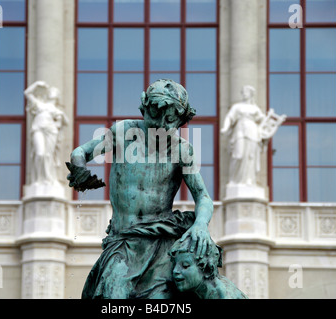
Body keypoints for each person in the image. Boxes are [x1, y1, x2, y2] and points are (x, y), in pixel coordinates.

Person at [67, 79, 214, 299]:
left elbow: (203, 197)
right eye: (155, 115)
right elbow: (81, 152)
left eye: (170, 119)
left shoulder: (182, 150)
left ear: (181, 121)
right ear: (144, 108)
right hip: (123, 241)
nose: (161, 124)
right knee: (113, 293)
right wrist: (79, 169)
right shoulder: (123, 132)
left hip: (162, 241)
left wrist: (201, 224)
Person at [169, 237, 248, 299]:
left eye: (185, 266)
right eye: (174, 265)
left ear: (207, 270)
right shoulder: (200, 292)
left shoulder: (222, 295)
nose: (175, 271)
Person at [24, 81, 69, 185]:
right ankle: (38, 179)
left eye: (54, 91)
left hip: (51, 131)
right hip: (38, 129)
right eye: (50, 91)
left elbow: (66, 122)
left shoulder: (56, 110)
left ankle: (49, 178)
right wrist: (37, 84)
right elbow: (27, 93)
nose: (51, 92)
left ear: (57, 96)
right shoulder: (40, 104)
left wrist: (61, 117)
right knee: (39, 154)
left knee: (48, 155)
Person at [220, 85, 265, 186]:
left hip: (252, 131)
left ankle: (249, 179)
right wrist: (225, 128)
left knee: (250, 156)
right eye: (243, 92)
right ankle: (234, 180)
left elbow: (263, 122)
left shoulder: (255, 109)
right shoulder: (237, 107)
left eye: (246, 92)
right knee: (238, 155)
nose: (243, 94)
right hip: (239, 130)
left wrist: (262, 131)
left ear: (250, 94)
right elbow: (229, 117)